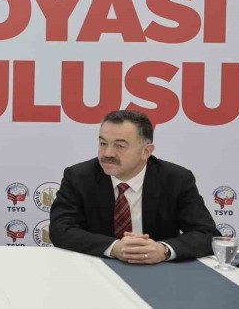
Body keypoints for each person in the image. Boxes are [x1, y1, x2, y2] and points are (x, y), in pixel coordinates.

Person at [50, 110, 219, 264]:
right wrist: (114, 247)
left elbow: (207, 234)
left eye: (120, 146)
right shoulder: (78, 177)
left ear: (146, 151)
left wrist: (164, 250)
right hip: (96, 267)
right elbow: (60, 229)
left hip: (160, 271)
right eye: (103, 143)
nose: (108, 153)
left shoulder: (176, 179)